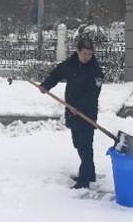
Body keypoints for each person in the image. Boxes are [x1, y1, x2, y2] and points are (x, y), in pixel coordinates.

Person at [38, 37, 104, 189]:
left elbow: (93, 93)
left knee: (85, 145)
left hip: (87, 113)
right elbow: (56, 74)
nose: (87, 57)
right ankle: (90, 172)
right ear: (78, 52)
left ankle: (84, 180)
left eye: (90, 54)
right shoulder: (71, 64)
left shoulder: (95, 70)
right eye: (85, 54)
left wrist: (79, 107)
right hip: (71, 111)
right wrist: (46, 85)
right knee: (77, 143)